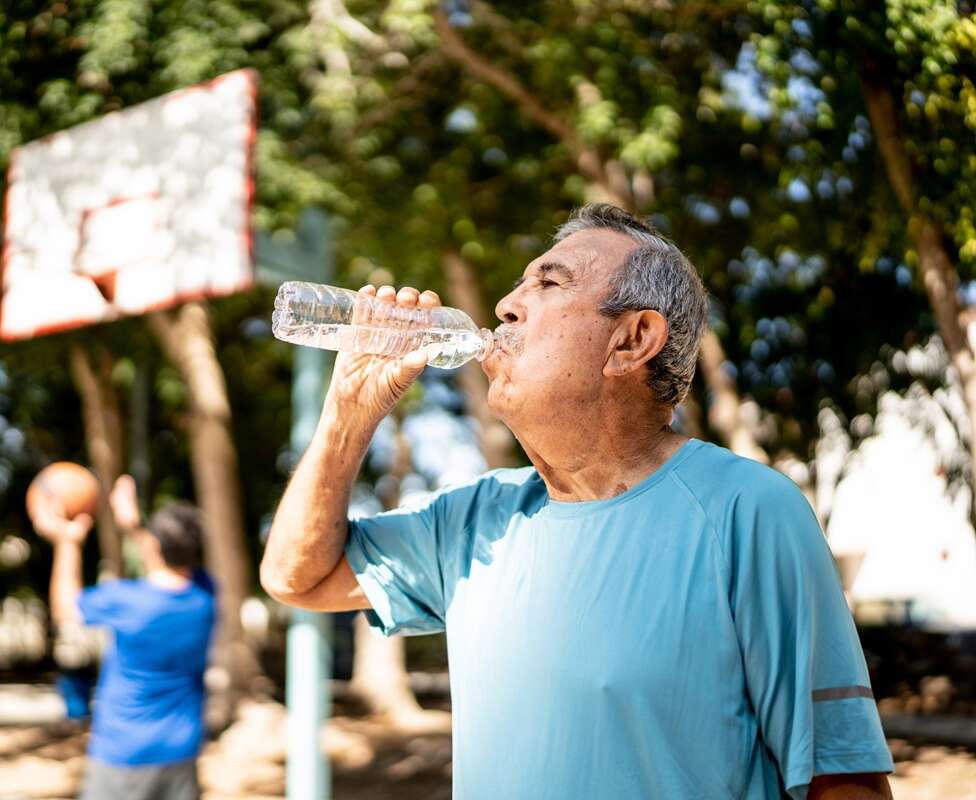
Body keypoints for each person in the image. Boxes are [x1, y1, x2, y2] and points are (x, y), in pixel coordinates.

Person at [260, 204, 894, 799]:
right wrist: (348, 415)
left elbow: (845, 780)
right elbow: (297, 577)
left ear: (632, 339)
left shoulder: (746, 510)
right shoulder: (475, 518)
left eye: (549, 284)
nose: (507, 305)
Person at [31, 475, 215, 800]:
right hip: (181, 748)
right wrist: (133, 526)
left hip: (124, 752)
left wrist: (68, 541)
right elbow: (169, 557)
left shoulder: (129, 601)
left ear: (155, 547)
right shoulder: (205, 597)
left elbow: (65, 607)